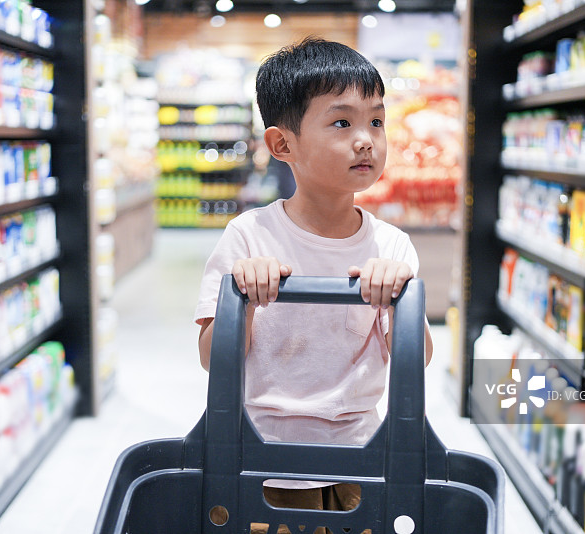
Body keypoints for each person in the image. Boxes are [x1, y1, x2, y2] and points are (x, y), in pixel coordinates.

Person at [195, 36, 433, 533]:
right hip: (260, 461)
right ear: (283, 144)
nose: (366, 138)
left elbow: (419, 356)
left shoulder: (392, 248)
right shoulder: (249, 236)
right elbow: (209, 355)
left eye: (376, 121)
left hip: (361, 460)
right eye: (342, 122)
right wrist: (246, 301)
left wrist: (396, 303)